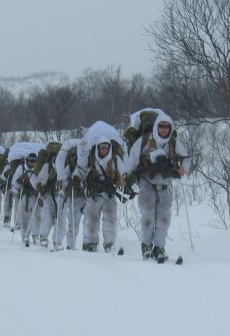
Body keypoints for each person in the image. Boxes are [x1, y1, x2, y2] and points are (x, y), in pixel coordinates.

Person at [122, 109, 190, 261]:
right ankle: (146, 246)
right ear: (156, 127)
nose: (164, 129)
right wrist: (125, 176)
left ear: (170, 128)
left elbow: (186, 159)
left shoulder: (173, 142)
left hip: (166, 185)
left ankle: (159, 247)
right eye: (161, 126)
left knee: (164, 219)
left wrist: (182, 168)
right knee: (147, 217)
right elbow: (132, 160)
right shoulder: (144, 141)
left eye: (166, 126)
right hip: (147, 184)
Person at [73, 122, 126, 253]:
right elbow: (81, 170)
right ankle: (90, 242)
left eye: (106, 147)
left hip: (110, 195)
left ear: (109, 148)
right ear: (97, 147)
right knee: (91, 219)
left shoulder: (114, 160)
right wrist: (76, 178)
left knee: (110, 219)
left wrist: (123, 180)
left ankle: (109, 243)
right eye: (101, 147)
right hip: (93, 194)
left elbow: (123, 172)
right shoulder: (91, 159)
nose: (104, 150)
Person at [55, 138, 86, 250]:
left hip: (85, 194)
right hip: (75, 195)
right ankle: (71, 245)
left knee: (82, 221)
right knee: (74, 222)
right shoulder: (72, 163)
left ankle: (84, 244)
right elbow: (64, 176)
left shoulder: (89, 160)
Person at [32, 143, 64, 250]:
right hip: (49, 195)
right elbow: (41, 178)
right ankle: (43, 236)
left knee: (61, 219)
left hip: (62, 196)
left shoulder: (65, 166)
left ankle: (57, 241)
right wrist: (40, 185)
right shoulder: (48, 166)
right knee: (48, 217)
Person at [12, 152, 40, 246]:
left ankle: (36, 236)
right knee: (24, 215)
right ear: (27, 161)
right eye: (31, 162)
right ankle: (25, 235)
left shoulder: (38, 169)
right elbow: (15, 182)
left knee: (37, 215)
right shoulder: (22, 168)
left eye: (34, 162)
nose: (33, 164)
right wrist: (20, 180)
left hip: (35, 195)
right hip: (24, 194)